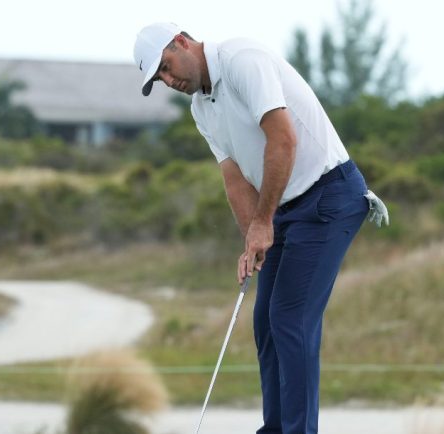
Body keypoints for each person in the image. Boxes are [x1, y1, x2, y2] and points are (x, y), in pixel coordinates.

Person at [133, 22, 389, 434]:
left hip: (329, 196)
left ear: (181, 42)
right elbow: (234, 179)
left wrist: (264, 222)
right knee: (266, 323)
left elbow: (283, 141)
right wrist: (251, 239)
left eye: (166, 66)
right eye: (160, 78)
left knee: (290, 317)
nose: (169, 80)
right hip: (285, 206)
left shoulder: (241, 60)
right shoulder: (202, 109)